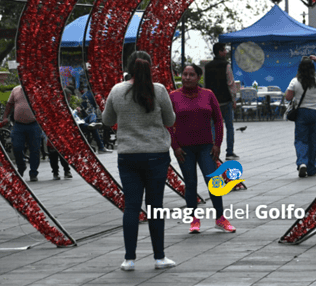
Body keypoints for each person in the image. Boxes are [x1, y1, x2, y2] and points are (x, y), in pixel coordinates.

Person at [102, 51, 177, 271]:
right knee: (156, 207)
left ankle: (129, 259)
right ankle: (159, 257)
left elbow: (107, 120)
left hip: (128, 155)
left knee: (131, 207)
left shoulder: (117, 90)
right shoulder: (159, 90)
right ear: (150, 66)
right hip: (156, 155)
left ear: (128, 67)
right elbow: (170, 119)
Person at [169, 63, 237, 234]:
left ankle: (220, 218)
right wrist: (175, 146)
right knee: (190, 183)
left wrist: (217, 144)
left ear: (198, 77)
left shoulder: (208, 95)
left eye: (191, 74)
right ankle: (194, 219)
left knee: (213, 182)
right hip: (184, 149)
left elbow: (218, 120)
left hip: (206, 147)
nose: (187, 78)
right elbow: (168, 123)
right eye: (184, 74)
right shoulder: (173, 96)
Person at [285, 55, 316, 178]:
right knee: (312, 141)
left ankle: (302, 163)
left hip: (302, 113)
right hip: (315, 113)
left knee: (300, 139)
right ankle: (312, 168)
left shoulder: (295, 81)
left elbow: (288, 97)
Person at [204, 42, 238, 160]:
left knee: (213, 126)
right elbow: (231, 83)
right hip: (226, 101)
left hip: (212, 102)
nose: (226, 52)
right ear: (220, 52)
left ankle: (213, 150)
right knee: (229, 126)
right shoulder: (226, 65)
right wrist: (234, 99)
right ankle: (229, 152)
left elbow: (205, 86)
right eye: (224, 50)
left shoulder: (207, 67)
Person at [3, 85, 42, 181]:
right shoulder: (15, 90)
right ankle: (21, 166)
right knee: (16, 146)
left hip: (34, 124)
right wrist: (5, 117)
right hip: (18, 125)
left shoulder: (37, 89)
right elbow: (9, 104)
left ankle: (33, 173)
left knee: (35, 149)